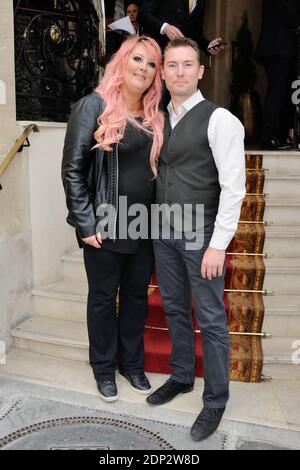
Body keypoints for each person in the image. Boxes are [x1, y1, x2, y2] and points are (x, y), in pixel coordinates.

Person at [147, 38, 246, 442]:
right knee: (173, 307)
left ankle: (216, 399)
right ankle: (183, 376)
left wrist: (218, 244)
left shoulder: (221, 119)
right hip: (162, 228)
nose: (180, 72)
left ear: (201, 71)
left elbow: (234, 188)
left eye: (188, 65)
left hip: (201, 231)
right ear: (163, 72)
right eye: (172, 65)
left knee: (209, 316)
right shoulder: (157, 116)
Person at [62, 36, 164, 402]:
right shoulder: (93, 106)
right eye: (137, 58)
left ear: (157, 75)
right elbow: (73, 170)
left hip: (144, 226)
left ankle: (131, 365)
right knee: (103, 300)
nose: (143, 68)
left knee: (136, 298)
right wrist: (85, 223)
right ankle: (103, 369)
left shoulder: (156, 116)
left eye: (152, 63)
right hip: (105, 226)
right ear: (123, 62)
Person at [255, 0, 300, 150]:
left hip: (281, 47)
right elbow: (291, 13)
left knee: (283, 93)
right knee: (277, 92)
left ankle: (279, 135)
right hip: (277, 47)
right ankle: (268, 137)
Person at [138, 0, 224, 55]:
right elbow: (143, 15)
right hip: (159, 52)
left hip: (182, 56)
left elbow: (196, 32)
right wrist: (165, 28)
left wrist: (207, 45)